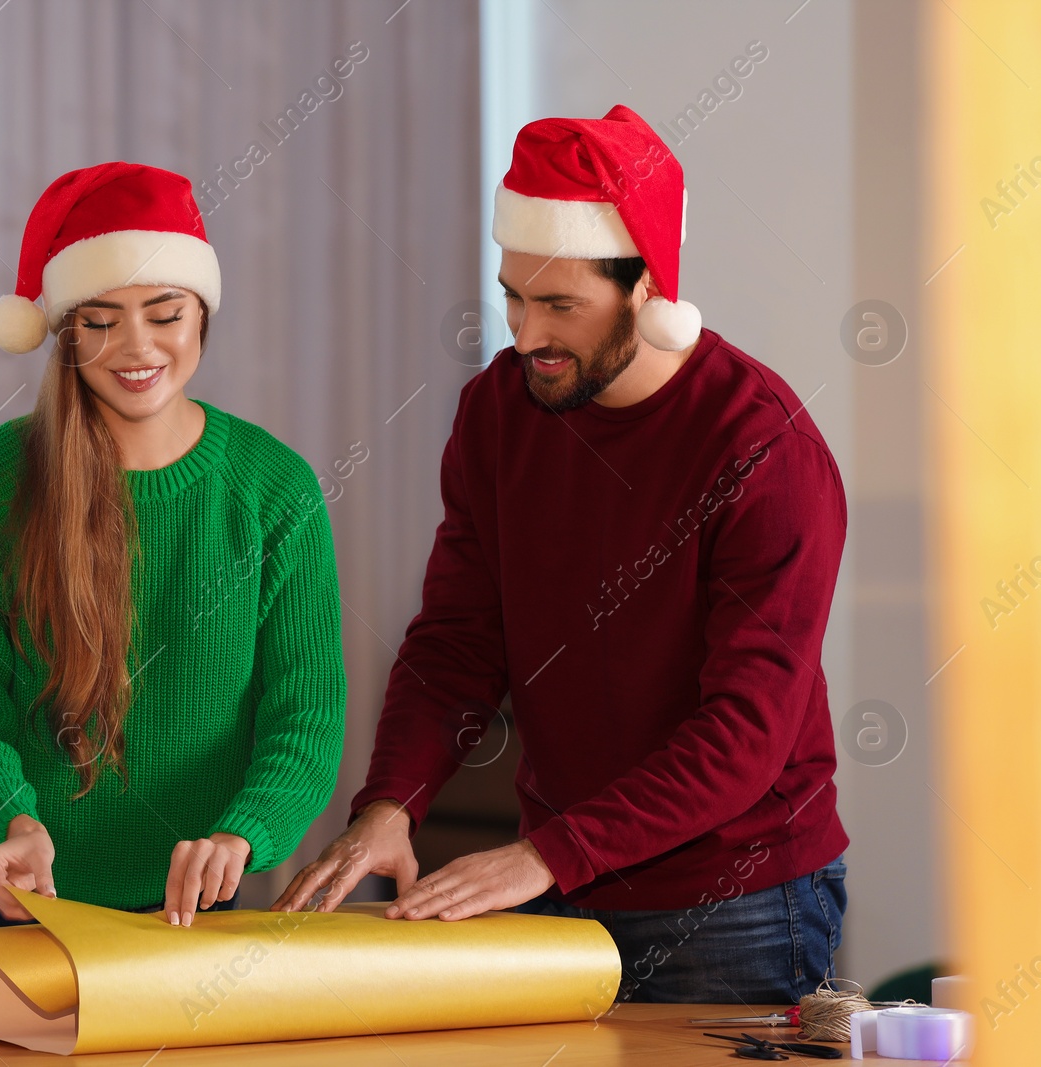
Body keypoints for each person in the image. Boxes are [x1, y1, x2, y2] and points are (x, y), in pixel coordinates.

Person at [274, 105, 848, 1005]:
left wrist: (545, 854)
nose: (526, 332)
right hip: (564, 882)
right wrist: (392, 801)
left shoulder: (764, 452)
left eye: (560, 305)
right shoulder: (499, 412)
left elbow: (746, 734)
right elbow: (457, 642)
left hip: (734, 902)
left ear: (648, 288)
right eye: (513, 294)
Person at [0, 162, 347, 991]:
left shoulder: (275, 489)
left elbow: (307, 714)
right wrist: (11, 821)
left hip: (187, 922)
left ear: (203, 315)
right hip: (6, 910)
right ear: (66, 334)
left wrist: (244, 833)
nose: (138, 347)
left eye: (164, 312)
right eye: (101, 321)